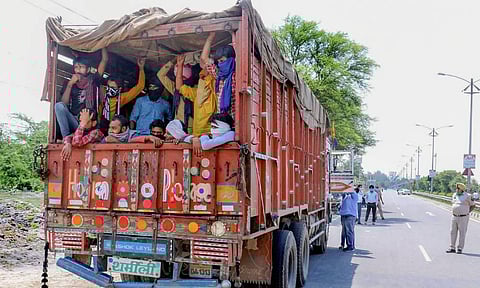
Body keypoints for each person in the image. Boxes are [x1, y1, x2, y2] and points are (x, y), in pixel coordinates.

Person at [176, 32, 236, 155]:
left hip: (217, 132)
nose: (204, 77)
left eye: (206, 76)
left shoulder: (217, 85)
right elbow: (179, 87)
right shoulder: (196, 94)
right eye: (201, 77)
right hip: (199, 137)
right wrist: (180, 65)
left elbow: (205, 62)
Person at [56, 48, 108, 138]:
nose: (78, 70)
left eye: (82, 67)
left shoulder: (93, 80)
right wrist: (70, 85)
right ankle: (66, 138)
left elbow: (104, 60)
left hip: (89, 123)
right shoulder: (70, 83)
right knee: (58, 105)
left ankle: (73, 137)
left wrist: (103, 44)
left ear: (87, 70)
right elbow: (64, 104)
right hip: (75, 122)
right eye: (76, 67)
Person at [100, 58, 145, 123]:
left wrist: (141, 69)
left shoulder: (122, 98)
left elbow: (140, 87)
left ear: (119, 89)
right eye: (108, 86)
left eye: (113, 87)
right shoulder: (102, 91)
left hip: (114, 126)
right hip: (100, 124)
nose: (109, 89)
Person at [157, 58, 196, 132]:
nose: (180, 80)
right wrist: (172, 61)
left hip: (194, 127)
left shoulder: (196, 89)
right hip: (178, 127)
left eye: (183, 78)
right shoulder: (175, 89)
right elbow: (160, 75)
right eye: (179, 78)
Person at [446, 183, 476, 254]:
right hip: (454, 216)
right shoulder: (454, 195)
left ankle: (460, 248)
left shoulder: (468, 196)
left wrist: (467, 212)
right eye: (456, 188)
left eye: (458, 188)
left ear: (461, 189)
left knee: (462, 233)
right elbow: (453, 203)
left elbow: (473, 205)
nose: (456, 190)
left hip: (463, 217)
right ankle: (452, 247)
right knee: (452, 232)